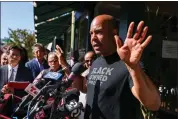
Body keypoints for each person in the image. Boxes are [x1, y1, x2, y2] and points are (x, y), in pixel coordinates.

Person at [72, 14, 161, 119]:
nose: (93, 38)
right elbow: (88, 89)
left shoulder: (129, 65)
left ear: (114, 32)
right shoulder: (96, 62)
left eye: (99, 32)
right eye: (91, 33)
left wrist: (133, 67)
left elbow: (154, 104)